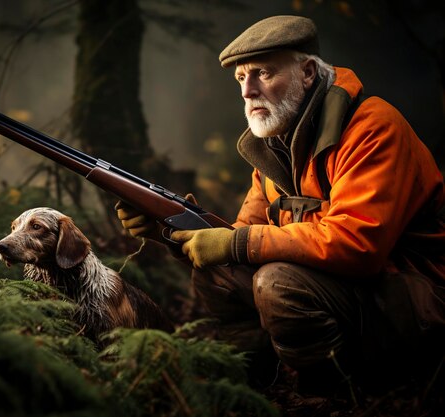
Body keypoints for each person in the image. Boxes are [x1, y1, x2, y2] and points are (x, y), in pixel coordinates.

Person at [115, 15, 445, 395]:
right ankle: (254, 388)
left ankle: (339, 393)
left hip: (414, 302)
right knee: (219, 274)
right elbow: (239, 238)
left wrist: (237, 242)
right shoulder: (279, 144)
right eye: (241, 78)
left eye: (263, 74)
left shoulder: (372, 128)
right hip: (359, 292)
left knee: (277, 284)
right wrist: (168, 230)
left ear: (307, 72)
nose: (247, 91)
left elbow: (359, 244)